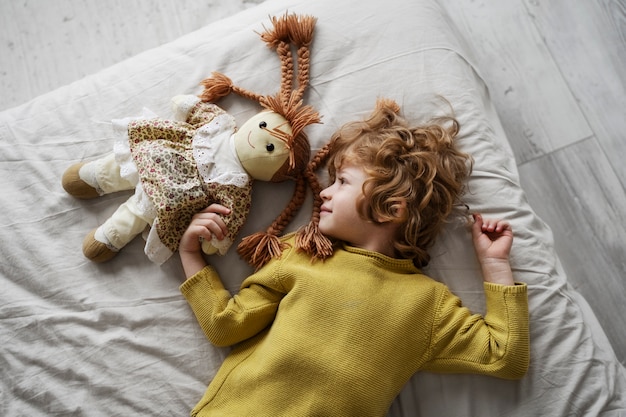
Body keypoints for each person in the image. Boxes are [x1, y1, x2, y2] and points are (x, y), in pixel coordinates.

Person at [177, 99, 530, 417]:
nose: (325, 191)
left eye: (342, 181)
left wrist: (495, 265)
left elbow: (505, 356)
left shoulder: (428, 305)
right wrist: (190, 253)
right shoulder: (302, 253)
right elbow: (226, 325)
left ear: (392, 208)